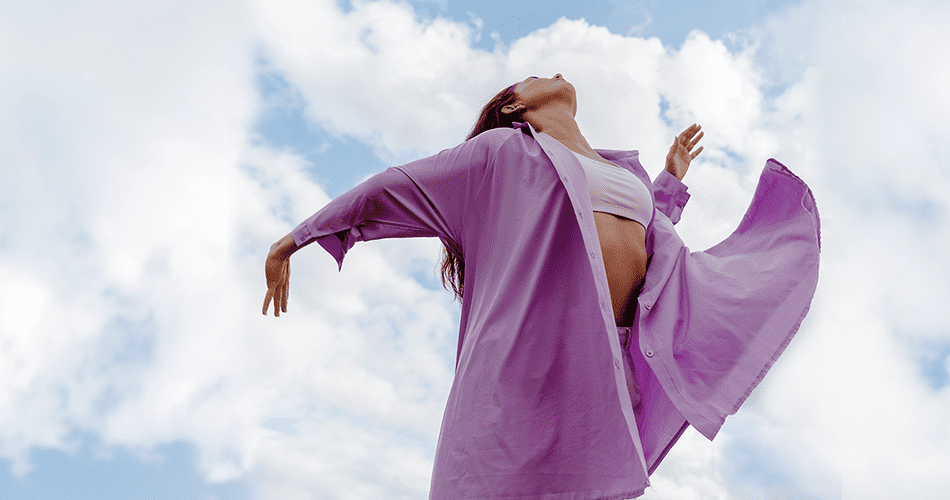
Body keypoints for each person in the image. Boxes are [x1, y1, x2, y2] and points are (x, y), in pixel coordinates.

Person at [262, 73, 820, 499]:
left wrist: (670, 181)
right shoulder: (502, 153)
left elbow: (647, 244)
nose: (550, 70)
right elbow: (394, 188)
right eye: (533, 74)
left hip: (604, 367)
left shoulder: (624, 175)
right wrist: (296, 238)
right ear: (515, 106)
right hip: (525, 366)